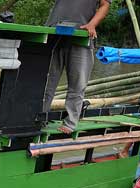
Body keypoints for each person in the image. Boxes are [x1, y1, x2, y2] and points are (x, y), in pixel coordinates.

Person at [42, 0, 111, 134]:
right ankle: (39, 117)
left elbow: (105, 4)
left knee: (77, 83)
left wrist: (92, 24)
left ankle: (70, 122)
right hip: (54, 32)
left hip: (81, 35)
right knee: (45, 82)